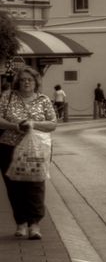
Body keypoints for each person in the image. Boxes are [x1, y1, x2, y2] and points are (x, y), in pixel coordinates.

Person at [0, 67, 58, 240]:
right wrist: (15, 126)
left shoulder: (43, 99)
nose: (26, 82)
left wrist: (33, 124)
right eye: (23, 79)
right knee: (14, 187)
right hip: (9, 147)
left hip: (36, 149)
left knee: (36, 185)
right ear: (18, 81)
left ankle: (34, 224)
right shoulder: (8, 97)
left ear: (35, 82)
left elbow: (53, 124)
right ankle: (21, 223)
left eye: (30, 80)